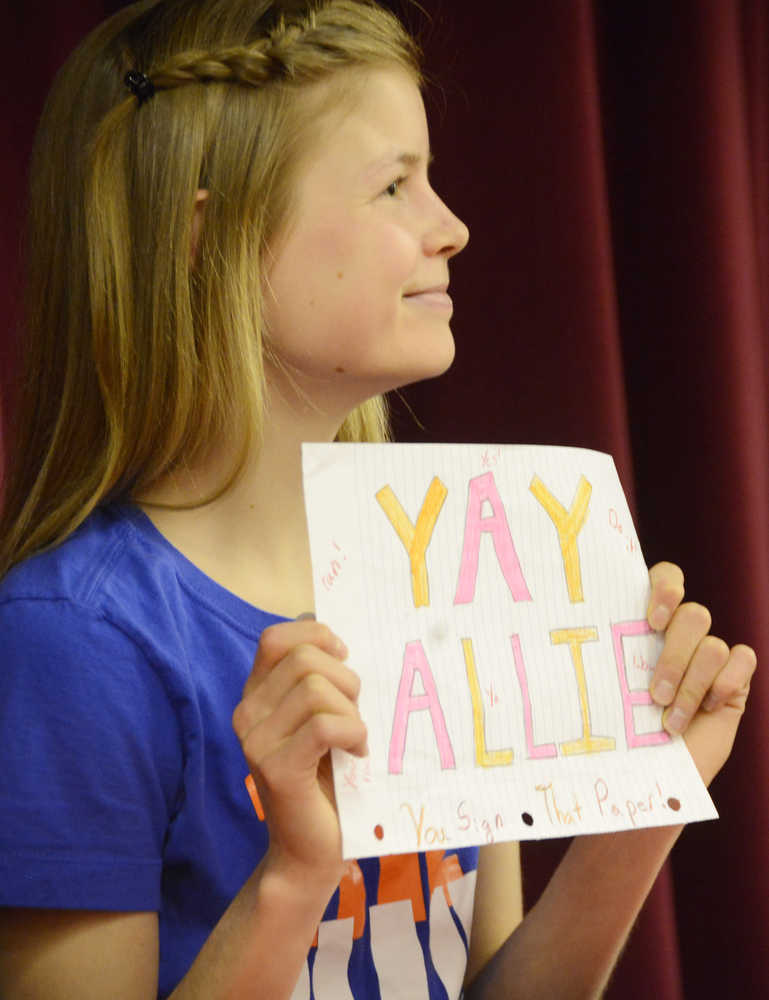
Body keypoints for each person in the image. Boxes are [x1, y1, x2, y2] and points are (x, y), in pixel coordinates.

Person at [0, 1, 756, 997]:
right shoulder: (75, 640)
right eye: (394, 184)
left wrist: (650, 801)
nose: (451, 227)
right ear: (206, 230)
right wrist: (295, 874)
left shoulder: (444, 569)